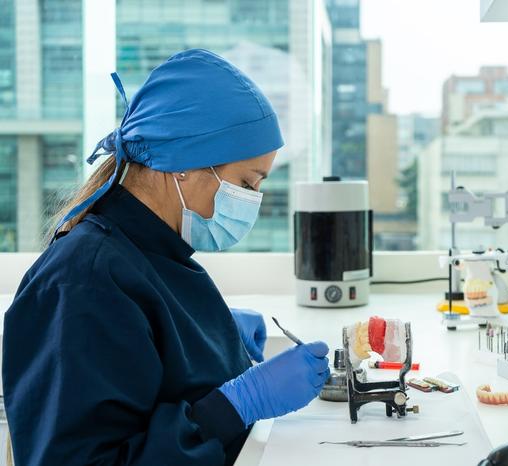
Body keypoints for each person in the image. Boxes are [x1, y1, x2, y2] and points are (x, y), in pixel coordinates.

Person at [2, 48, 330, 466]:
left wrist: (209, 339)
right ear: (184, 166)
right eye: (246, 184)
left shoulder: (155, 250)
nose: (251, 201)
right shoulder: (83, 281)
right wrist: (240, 403)